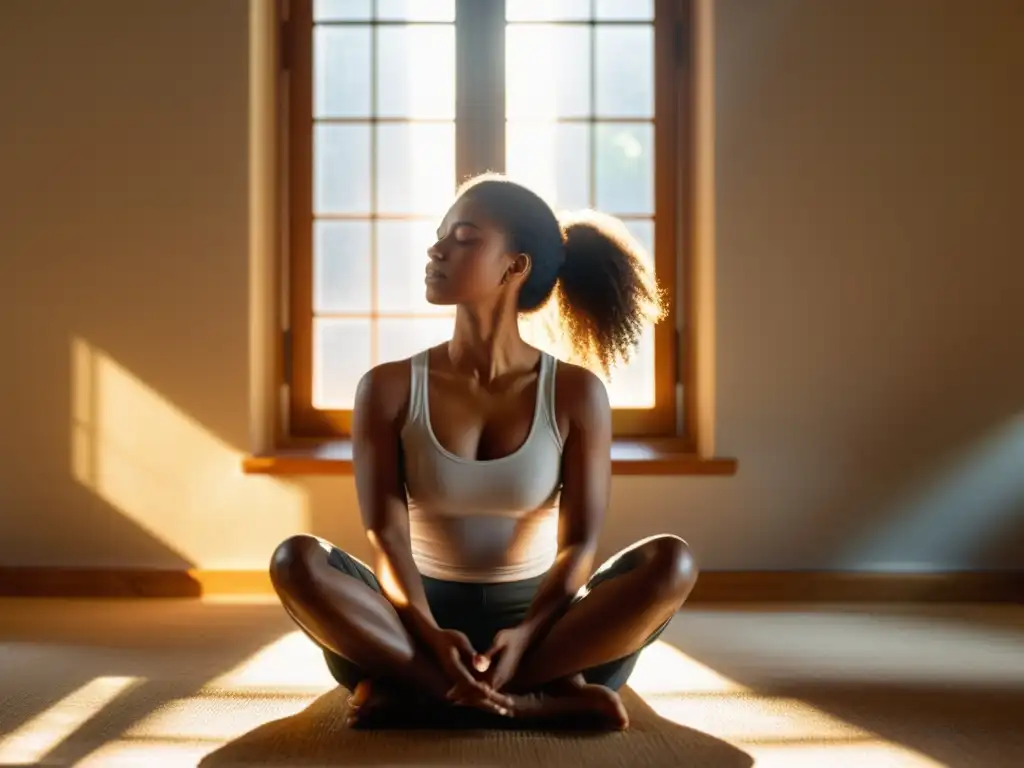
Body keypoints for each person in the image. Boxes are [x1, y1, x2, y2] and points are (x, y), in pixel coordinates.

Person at [269, 173, 698, 731]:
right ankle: (525, 701)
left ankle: (436, 695)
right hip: (408, 625)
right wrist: (428, 632)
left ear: (514, 267)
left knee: (672, 563)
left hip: (543, 629)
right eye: (440, 234)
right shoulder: (389, 388)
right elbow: (387, 536)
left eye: (464, 237)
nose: (437, 248)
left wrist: (524, 636)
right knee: (294, 562)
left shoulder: (574, 392)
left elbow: (578, 545)